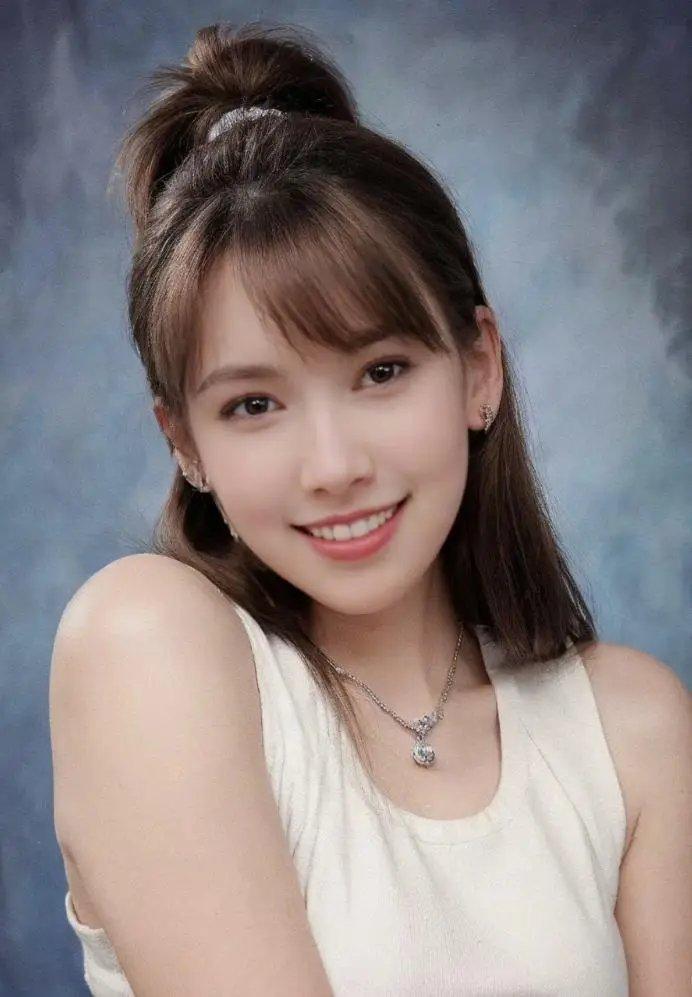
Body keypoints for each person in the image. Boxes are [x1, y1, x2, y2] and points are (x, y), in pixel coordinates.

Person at [49, 19, 691, 997]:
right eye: (253, 404)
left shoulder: (630, 731)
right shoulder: (147, 645)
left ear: (477, 368)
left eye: (380, 372)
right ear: (185, 443)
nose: (334, 465)